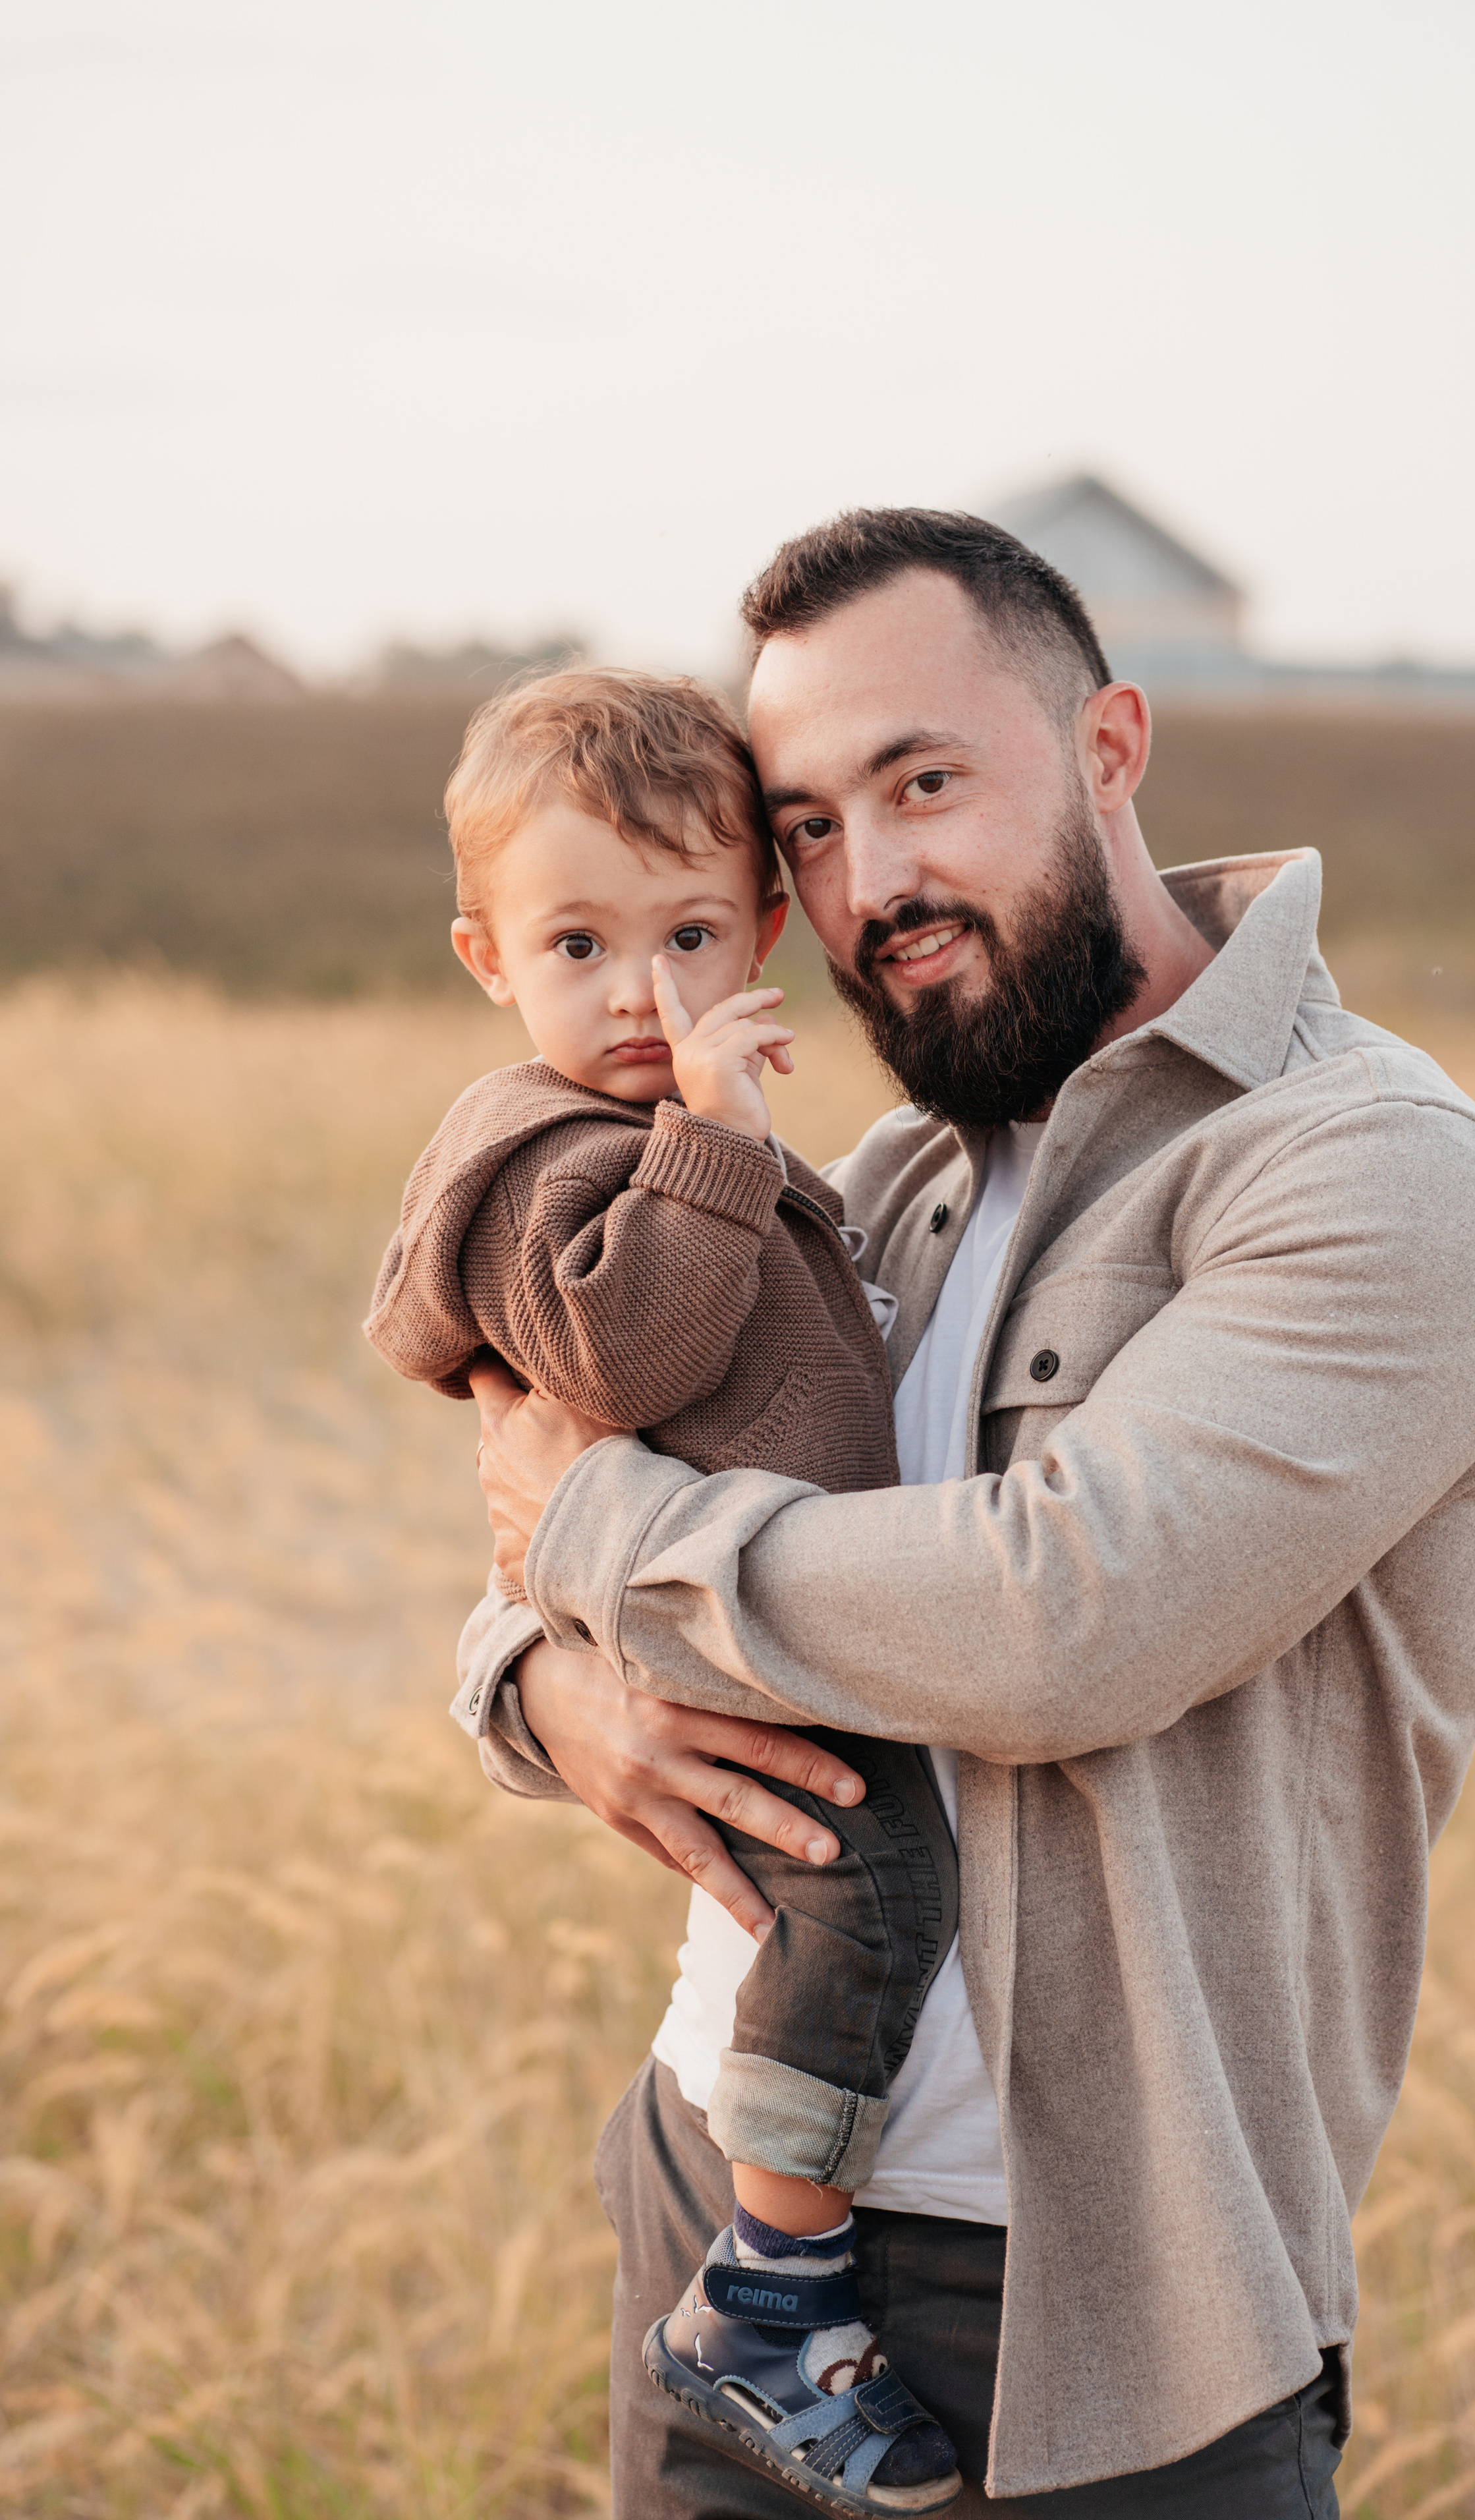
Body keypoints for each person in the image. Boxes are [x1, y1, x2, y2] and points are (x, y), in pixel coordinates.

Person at [459, 509, 1475, 2516]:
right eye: (809, 826)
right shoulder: (888, 1171)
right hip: (721, 2206)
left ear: (1111, 746)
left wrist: (597, 1545)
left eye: (924, 783)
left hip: (1114, 2309)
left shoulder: (1379, 1173)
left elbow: (1069, 1616)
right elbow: (550, 1507)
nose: (870, 880)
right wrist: (551, 1692)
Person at [364, 668, 967, 2512]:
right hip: (738, 1658)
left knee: (862, 1898)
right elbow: (622, 1359)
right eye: (580, 945)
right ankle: (773, 2286)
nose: (642, 991)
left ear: (763, 931)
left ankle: (780, 2269)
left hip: (762, 1616)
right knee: (875, 1894)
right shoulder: (548, 1160)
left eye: (689, 936)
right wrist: (714, 1139)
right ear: (488, 957)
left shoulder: (679, 1139)